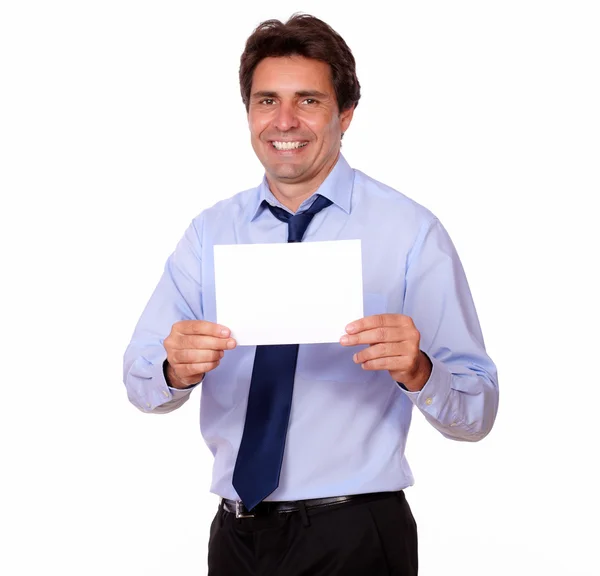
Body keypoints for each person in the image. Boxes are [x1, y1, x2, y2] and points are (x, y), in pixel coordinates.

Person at [123, 13, 499, 576]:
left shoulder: (409, 233)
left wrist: (419, 370)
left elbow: (477, 411)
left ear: (345, 115)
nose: (285, 120)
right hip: (236, 534)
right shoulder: (210, 233)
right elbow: (139, 379)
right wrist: (173, 368)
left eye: (309, 101)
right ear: (248, 112)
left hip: (355, 535)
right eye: (266, 100)